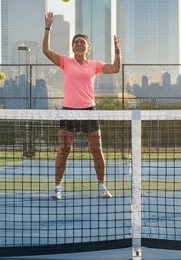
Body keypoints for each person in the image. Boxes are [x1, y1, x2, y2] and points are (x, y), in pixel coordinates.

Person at [41, 11, 121, 199]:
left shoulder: (94, 65)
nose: (78, 44)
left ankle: (102, 186)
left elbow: (116, 68)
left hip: (88, 111)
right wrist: (47, 28)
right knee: (63, 150)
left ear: (88, 47)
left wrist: (117, 50)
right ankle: (57, 188)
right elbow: (46, 51)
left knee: (97, 150)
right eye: (76, 42)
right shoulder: (65, 62)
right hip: (68, 111)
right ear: (72, 47)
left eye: (82, 42)